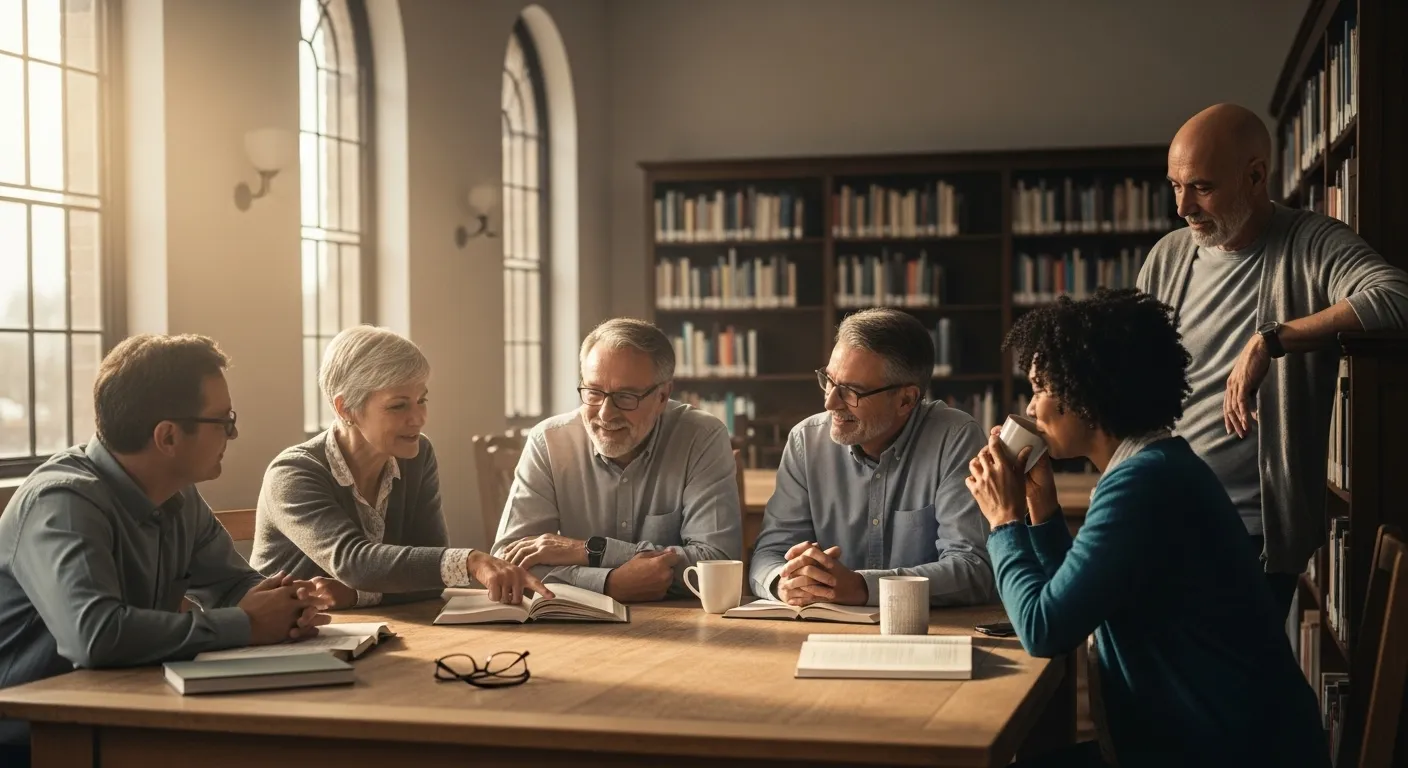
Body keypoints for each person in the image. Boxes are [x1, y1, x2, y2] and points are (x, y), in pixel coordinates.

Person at [967, 289, 1330, 768]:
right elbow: (1071, 606)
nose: (1031, 409)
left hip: (1220, 753)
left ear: (1085, 392)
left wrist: (1004, 521)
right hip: (1209, 743)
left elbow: (1043, 629)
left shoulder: (1144, 485)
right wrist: (1041, 504)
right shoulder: (1154, 466)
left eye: (1039, 388)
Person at [0, 334, 332, 764]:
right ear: (168, 436)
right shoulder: (62, 503)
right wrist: (248, 624)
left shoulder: (178, 492)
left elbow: (232, 585)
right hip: (33, 741)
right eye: (224, 421)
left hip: (128, 717)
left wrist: (285, 605)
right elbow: (95, 637)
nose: (234, 433)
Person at [1139, 102, 1408, 617]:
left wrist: (1272, 339)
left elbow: (1396, 297)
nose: (1183, 207)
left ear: (1256, 176)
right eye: (1175, 186)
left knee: (1233, 668)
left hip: (1249, 533)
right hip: (1159, 515)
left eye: (1202, 187)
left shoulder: (1312, 242)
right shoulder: (1168, 256)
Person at [252, 326, 549, 607]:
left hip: (375, 630)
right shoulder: (293, 473)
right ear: (345, 408)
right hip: (283, 637)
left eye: (422, 400)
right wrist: (469, 561)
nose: (419, 418)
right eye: (398, 405)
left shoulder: (417, 457)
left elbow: (430, 580)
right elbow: (353, 562)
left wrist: (356, 596)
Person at [748, 308, 993, 608]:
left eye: (851, 391)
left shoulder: (954, 438)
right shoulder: (805, 442)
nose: (830, 403)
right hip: (824, 628)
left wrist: (863, 588)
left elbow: (973, 569)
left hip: (926, 631)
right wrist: (783, 582)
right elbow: (768, 554)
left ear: (906, 400)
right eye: (829, 380)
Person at [492, 318, 741, 603]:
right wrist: (608, 584)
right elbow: (507, 564)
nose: (606, 414)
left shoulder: (701, 437)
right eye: (594, 392)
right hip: (574, 623)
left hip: (681, 622)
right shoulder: (548, 441)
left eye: (626, 396)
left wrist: (588, 551)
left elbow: (717, 563)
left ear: (662, 396)